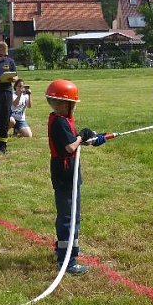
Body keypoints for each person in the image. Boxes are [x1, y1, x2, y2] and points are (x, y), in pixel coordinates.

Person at [45, 79, 107, 276]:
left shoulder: (61, 119)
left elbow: (76, 142)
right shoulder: (60, 121)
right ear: (65, 104)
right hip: (65, 172)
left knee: (69, 214)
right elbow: (71, 146)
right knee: (70, 217)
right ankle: (68, 260)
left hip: (66, 170)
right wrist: (82, 136)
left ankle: (64, 250)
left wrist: (94, 138)